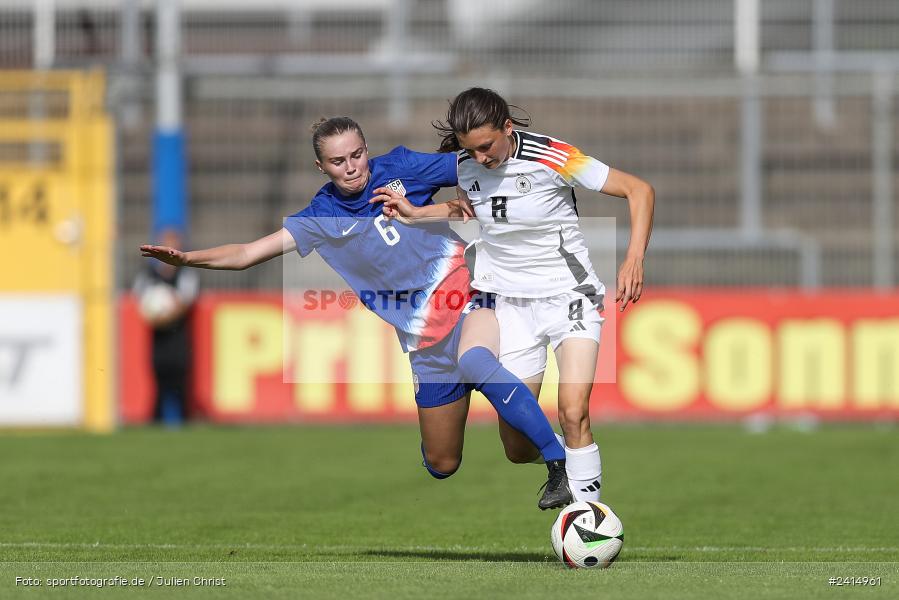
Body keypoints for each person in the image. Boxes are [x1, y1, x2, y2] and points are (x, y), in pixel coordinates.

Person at [141, 116, 573, 509]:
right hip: (423, 341)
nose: (351, 167)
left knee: (477, 363)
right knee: (443, 462)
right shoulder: (320, 217)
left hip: (468, 295)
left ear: (367, 149)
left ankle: (561, 464)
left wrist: (512, 194)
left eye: (357, 155)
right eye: (337, 161)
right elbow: (247, 253)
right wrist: (188, 258)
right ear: (320, 167)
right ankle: (537, 441)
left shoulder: (400, 166)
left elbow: (476, 165)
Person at [373, 88, 655, 503]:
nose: (481, 158)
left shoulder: (555, 156)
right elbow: (471, 209)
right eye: (471, 150)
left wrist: (634, 258)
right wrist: (418, 213)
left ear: (507, 127)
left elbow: (639, 190)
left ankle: (588, 514)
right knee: (517, 446)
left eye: (487, 146)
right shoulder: (469, 164)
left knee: (573, 409)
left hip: (569, 297)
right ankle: (573, 453)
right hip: (509, 308)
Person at [133, 228, 199, 425]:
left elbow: (184, 304)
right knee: (159, 381)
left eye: (174, 242)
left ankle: (184, 422)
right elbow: (142, 303)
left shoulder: (186, 275)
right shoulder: (147, 275)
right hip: (158, 338)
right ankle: (156, 422)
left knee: (181, 381)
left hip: (178, 337)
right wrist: (156, 318)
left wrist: (165, 316)